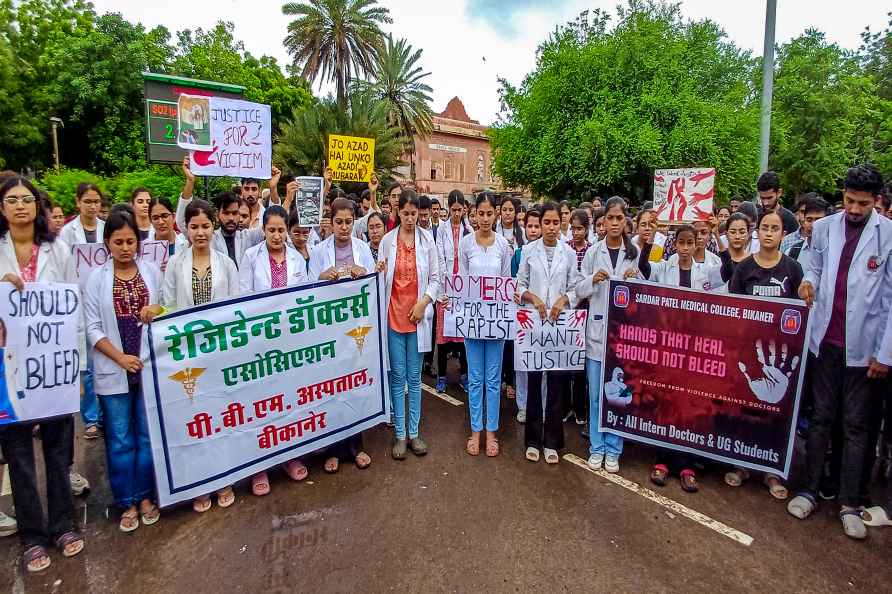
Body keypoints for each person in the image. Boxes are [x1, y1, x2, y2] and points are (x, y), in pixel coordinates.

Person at [788, 164, 892, 540]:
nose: (854, 208)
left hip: (865, 349)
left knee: (857, 426)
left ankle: (849, 502)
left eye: (862, 203)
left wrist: (885, 352)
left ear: (875, 201)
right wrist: (809, 283)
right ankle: (809, 490)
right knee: (821, 420)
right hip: (826, 341)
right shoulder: (826, 228)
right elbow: (812, 265)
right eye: (849, 200)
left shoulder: (888, 235)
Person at [0, 176, 84, 571]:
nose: (20, 206)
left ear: (37, 206)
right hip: (9, 370)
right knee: (18, 455)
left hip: (54, 369)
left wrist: (76, 363)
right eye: (12, 200)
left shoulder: (58, 250)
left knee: (57, 449)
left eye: (27, 199)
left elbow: (73, 306)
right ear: (1, 208)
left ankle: (63, 525)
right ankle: (33, 536)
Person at [84, 205, 163, 533]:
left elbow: (166, 308)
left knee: (146, 436)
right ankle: (126, 501)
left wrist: (158, 308)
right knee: (119, 438)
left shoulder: (152, 272)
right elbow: (91, 327)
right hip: (114, 367)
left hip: (146, 366)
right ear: (107, 244)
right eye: (118, 242)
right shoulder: (96, 279)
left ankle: (145, 496)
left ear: (138, 242)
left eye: (131, 241)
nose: (125, 248)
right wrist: (119, 358)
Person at [162, 200, 238, 512]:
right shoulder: (175, 265)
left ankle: (224, 478)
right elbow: (167, 306)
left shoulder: (227, 264)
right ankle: (199, 482)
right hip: (188, 355)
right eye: (194, 226)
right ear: (186, 229)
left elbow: (237, 309)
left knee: (221, 416)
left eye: (205, 226)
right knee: (194, 420)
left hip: (219, 354)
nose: (200, 232)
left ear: (214, 227)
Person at [722, 210, 803, 499]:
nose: (769, 233)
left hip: (780, 358)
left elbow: (799, 314)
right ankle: (741, 464)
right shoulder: (744, 269)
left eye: (775, 228)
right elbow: (732, 308)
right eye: (765, 228)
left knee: (776, 412)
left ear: (783, 234)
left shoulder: (793, 270)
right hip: (749, 354)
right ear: (759, 232)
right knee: (745, 410)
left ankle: (772, 471)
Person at [239, 205, 309, 495]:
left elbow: (304, 296)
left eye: (281, 230)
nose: (277, 235)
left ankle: (290, 457)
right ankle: (260, 467)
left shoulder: (296, 258)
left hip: (289, 343)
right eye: (272, 230)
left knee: (288, 403)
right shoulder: (250, 258)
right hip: (260, 344)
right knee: (262, 405)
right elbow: (242, 300)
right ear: (264, 230)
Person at [638, 225, 708, 491]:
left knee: (688, 406)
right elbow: (644, 268)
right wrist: (649, 239)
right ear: (675, 244)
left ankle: (687, 465)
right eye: (682, 243)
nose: (686, 247)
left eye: (691, 242)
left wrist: (715, 235)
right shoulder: (664, 267)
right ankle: (663, 460)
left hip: (694, 347)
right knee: (665, 402)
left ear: (696, 244)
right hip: (668, 345)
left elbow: (729, 276)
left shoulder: (706, 270)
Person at [575, 197, 642, 473]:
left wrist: (635, 280)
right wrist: (593, 280)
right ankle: (597, 446)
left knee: (619, 394)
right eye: (609, 219)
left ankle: (614, 449)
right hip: (597, 332)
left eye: (619, 218)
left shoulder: (634, 251)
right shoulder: (593, 253)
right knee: (595, 394)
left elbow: (643, 295)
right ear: (603, 222)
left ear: (626, 220)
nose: (614, 224)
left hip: (622, 334)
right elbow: (579, 290)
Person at [309, 198, 376, 472]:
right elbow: (307, 289)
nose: (344, 227)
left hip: (357, 328)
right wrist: (323, 277)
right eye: (339, 222)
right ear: (331, 222)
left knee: (354, 385)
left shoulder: (361, 249)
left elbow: (374, 285)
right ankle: (334, 449)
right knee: (333, 387)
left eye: (349, 222)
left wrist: (365, 273)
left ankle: (355, 447)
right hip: (330, 330)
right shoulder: (318, 251)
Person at [516, 202, 580, 464]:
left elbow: (576, 288)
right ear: (539, 224)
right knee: (533, 383)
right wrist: (533, 298)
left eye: (556, 223)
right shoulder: (528, 251)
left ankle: (552, 441)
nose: (551, 227)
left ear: (560, 224)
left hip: (560, 327)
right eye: (547, 223)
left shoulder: (569, 253)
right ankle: (532, 439)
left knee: (556, 383)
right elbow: (518, 286)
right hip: (533, 326)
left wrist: (563, 300)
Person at [379, 190, 440, 459]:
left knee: (415, 379)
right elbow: (380, 278)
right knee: (398, 377)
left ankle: (414, 433)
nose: (410, 218)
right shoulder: (386, 241)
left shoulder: (428, 242)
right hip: (393, 318)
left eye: (414, 214)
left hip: (418, 319)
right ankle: (400, 435)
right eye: (405, 213)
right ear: (397, 212)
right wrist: (378, 270)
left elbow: (437, 279)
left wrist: (423, 303)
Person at [459, 192, 512, 457]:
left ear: (497, 214)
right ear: (474, 214)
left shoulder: (504, 245)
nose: (485, 218)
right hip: (472, 321)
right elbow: (463, 284)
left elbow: (505, 282)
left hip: (496, 323)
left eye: (490, 213)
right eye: (481, 213)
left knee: (493, 379)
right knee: (476, 378)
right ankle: (475, 430)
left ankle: (492, 432)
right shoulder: (466, 244)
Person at [59, 183, 106, 440]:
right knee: (86, 366)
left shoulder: (105, 229)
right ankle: (91, 418)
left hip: (103, 301)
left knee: (106, 361)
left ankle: (104, 414)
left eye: (96, 201)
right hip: (79, 303)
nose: (92, 206)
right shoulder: (67, 234)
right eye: (87, 201)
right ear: (78, 202)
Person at [178, 158, 264, 268]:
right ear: (218, 215)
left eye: (235, 213)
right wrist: (190, 182)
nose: (231, 218)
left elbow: (273, 223)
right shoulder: (209, 237)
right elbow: (182, 221)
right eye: (226, 213)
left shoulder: (248, 237)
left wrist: (273, 188)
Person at [434, 191, 470, 393]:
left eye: (459, 210)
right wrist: (447, 282)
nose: (456, 213)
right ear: (449, 209)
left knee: (463, 338)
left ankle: (464, 376)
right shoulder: (441, 230)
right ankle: (441, 377)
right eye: (453, 210)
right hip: (445, 290)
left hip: (463, 291)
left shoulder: (469, 230)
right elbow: (440, 257)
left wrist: (461, 283)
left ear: (464, 209)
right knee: (443, 338)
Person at [512, 208, 541, 424]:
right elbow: (513, 283)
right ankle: (522, 406)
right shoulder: (519, 254)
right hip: (523, 314)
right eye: (529, 226)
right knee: (523, 364)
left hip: (545, 316)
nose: (532, 230)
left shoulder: (552, 251)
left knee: (543, 365)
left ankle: (540, 405)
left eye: (536, 226)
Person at [563, 209, 591, 427]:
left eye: (580, 228)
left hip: (586, 311)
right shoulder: (566, 249)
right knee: (564, 362)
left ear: (587, 229)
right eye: (573, 228)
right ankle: (566, 407)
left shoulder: (591, 251)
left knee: (579, 365)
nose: (576, 232)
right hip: (567, 311)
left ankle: (580, 409)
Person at [781, 195, 829, 273]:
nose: (813, 225)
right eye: (809, 220)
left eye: (818, 220)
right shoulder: (792, 252)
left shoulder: (836, 251)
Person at [756, 171, 799, 235]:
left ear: (779, 193)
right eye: (762, 198)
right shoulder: (755, 216)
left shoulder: (790, 220)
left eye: (769, 198)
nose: (765, 203)